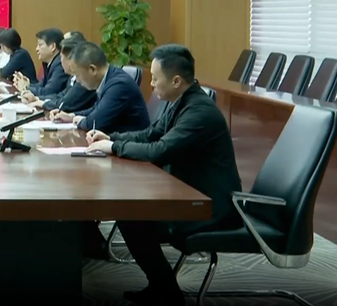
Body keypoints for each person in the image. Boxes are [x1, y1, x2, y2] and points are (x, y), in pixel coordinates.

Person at [85, 44, 243, 305]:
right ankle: (163, 287)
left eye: (155, 78)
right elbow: (151, 134)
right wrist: (111, 137)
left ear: (176, 80)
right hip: (189, 194)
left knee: (131, 215)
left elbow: (160, 150)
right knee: (130, 212)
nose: (151, 83)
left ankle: (166, 292)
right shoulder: (180, 101)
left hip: (209, 206)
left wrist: (113, 147)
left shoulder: (199, 112)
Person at [51, 41, 150, 134]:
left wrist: (79, 120)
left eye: (77, 75)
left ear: (92, 69)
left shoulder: (119, 85)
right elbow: (96, 109)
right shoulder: (110, 77)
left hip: (128, 142)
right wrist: (71, 116)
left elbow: (94, 123)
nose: (77, 80)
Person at [24, 38, 96, 113]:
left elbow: (65, 103)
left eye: (61, 57)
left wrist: (42, 104)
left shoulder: (84, 78)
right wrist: (37, 99)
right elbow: (61, 95)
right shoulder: (73, 77)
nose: (60, 61)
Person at [14, 28, 69, 98]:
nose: (36, 49)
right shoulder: (49, 62)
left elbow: (48, 92)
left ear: (52, 47)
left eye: (40, 45)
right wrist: (26, 85)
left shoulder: (61, 64)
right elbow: (42, 85)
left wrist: (25, 88)